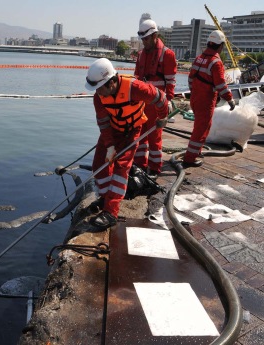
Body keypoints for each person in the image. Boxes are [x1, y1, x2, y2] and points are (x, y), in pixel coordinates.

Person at [85, 58, 168, 229]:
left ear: (112, 82)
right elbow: (103, 123)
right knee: (99, 166)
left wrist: (162, 117)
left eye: (100, 88)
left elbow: (160, 98)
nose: (98, 93)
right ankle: (106, 197)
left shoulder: (135, 88)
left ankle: (111, 212)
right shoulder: (98, 97)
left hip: (132, 131)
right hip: (113, 131)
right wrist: (109, 145)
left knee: (121, 169)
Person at [183, 30, 235, 168]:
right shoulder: (216, 62)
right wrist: (230, 99)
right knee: (201, 130)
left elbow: (190, 79)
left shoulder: (198, 58)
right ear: (220, 46)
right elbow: (220, 85)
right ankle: (190, 158)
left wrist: (194, 93)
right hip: (206, 101)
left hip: (195, 99)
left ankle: (196, 152)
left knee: (200, 127)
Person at [133, 19, 177, 179]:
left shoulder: (167, 54)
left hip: (157, 104)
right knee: (139, 136)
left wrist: (170, 100)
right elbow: (136, 79)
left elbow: (171, 81)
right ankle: (138, 165)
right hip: (141, 103)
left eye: (146, 39)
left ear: (154, 35)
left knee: (155, 138)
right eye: (142, 39)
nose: (144, 42)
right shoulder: (140, 55)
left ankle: (154, 168)